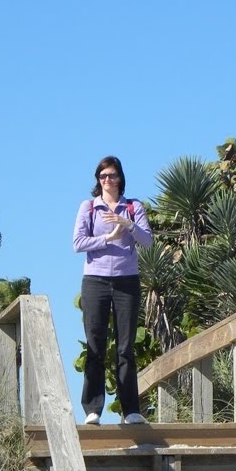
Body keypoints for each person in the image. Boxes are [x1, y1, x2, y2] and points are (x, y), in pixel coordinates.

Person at [72, 155, 154, 425]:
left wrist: (127, 226)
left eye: (112, 175)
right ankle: (92, 409)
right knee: (95, 345)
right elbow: (78, 243)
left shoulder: (133, 207)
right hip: (95, 281)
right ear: (98, 180)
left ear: (120, 178)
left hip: (126, 282)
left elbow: (147, 242)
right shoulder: (89, 207)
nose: (107, 180)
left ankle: (131, 409)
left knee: (126, 347)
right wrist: (107, 238)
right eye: (103, 176)